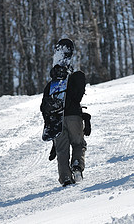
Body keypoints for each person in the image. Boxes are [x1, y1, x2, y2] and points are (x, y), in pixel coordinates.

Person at [40, 38, 88, 186]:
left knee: (62, 151)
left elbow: (44, 108)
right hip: (74, 117)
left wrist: (49, 128)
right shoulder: (74, 79)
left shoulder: (50, 86)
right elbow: (78, 96)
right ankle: (77, 165)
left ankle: (66, 178)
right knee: (79, 144)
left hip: (57, 121)